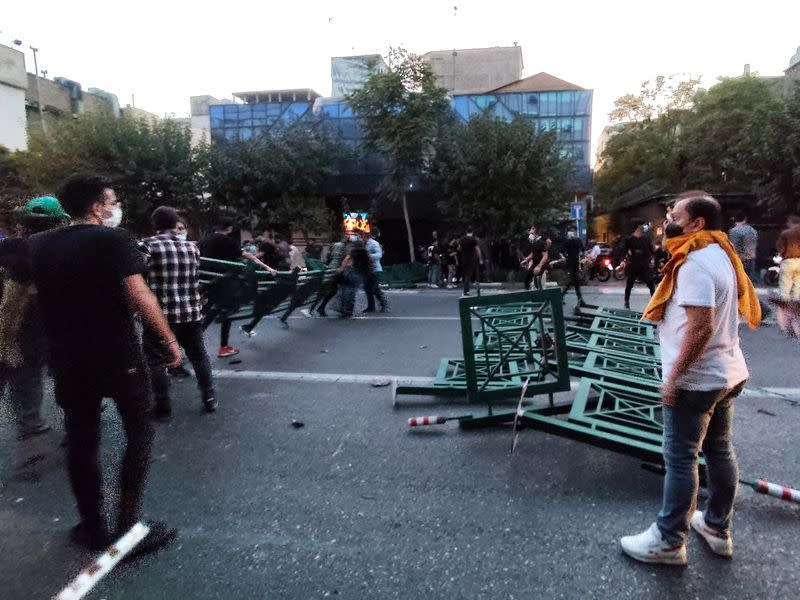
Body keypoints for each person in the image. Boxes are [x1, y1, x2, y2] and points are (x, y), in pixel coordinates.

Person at [28, 174, 181, 553]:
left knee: (81, 439)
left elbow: (34, 294)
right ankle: (128, 529)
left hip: (67, 358)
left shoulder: (38, 245)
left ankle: (92, 527)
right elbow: (139, 294)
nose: (115, 206)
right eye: (111, 200)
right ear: (97, 206)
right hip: (117, 354)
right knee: (140, 433)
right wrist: (169, 339)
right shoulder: (114, 239)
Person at [621, 191, 760, 566]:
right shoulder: (722, 253)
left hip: (698, 379)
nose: (668, 219)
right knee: (719, 451)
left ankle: (668, 540)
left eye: (675, 214)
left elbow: (700, 328)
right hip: (728, 372)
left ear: (697, 223)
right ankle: (716, 527)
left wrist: (674, 379)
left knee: (681, 459)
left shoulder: (695, 262)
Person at [0, 197, 69, 441]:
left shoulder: (11, 247)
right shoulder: (57, 249)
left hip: (16, 323)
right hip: (33, 324)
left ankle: (31, 420)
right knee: (31, 370)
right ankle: (32, 420)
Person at [142, 207, 217, 420]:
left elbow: (138, 276)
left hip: (161, 315)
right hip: (191, 312)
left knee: (155, 359)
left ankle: (163, 407)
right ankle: (209, 397)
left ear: (155, 224)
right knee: (198, 355)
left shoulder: (147, 246)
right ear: (175, 223)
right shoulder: (192, 248)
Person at [199, 217, 276, 355]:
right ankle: (222, 347)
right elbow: (248, 256)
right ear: (229, 228)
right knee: (224, 311)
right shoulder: (228, 241)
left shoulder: (204, 240)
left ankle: (196, 342)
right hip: (225, 282)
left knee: (212, 311)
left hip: (208, 281)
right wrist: (266, 267)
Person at [623, 221, 656, 309]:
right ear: (638, 226)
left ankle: (655, 302)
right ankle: (626, 302)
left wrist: (653, 258)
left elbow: (652, 251)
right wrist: (623, 260)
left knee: (650, 283)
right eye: (643, 225)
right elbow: (624, 250)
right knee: (629, 283)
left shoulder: (646, 239)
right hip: (633, 264)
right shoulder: (629, 239)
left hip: (644, 264)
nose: (645, 227)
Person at [727, 214, 758, 281]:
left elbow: (733, 247)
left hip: (740, 260)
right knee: (749, 283)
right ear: (745, 219)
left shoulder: (734, 231)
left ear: (734, 219)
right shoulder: (753, 230)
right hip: (751, 258)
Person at [776, 215, 800, 301]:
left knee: (785, 283)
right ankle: (796, 301)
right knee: (797, 284)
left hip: (788, 260)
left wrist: (780, 254)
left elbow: (780, 248)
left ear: (791, 222)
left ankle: (785, 302)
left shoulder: (786, 233)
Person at [363, 231, 388, 313]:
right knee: (367, 289)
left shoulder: (374, 243)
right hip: (366, 270)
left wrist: (368, 256)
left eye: (361, 236)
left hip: (375, 269)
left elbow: (379, 255)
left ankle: (384, 304)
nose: (360, 238)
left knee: (374, 289)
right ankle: (371, 307)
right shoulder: (362, 244)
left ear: (366, 236)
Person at [561, 226, 585, 304]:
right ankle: (579, 299)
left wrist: (564, 257)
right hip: (573, 263)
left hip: (573, 263)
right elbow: (582, 251)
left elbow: (582, 251)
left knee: (574, 281)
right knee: (574, 281)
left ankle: (579, 298)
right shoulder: (573, 241)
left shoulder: (572, 241)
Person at [521, 225, 548, 291]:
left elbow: (545, 256)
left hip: (541, 265)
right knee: (527, 279)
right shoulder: (534, 243)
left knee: (537, 282)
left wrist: (539, 266)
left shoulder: (542, 243)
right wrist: (526, 259)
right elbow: (533, 253)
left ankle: (542, 297)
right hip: (535, 264)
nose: (530, 235)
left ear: (536, 234)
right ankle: (528, 295)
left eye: (532, 233)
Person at [459, 228, 483, 296]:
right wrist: (480, 258)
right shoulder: (473, 239)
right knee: (469, 275)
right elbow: (477, 249)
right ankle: (466, 291)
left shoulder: (462, 239)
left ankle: (466, 289)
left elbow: (459, 248)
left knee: (465, 274)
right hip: (471, 259)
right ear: (472, 232)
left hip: (463, 259)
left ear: (466, 232)